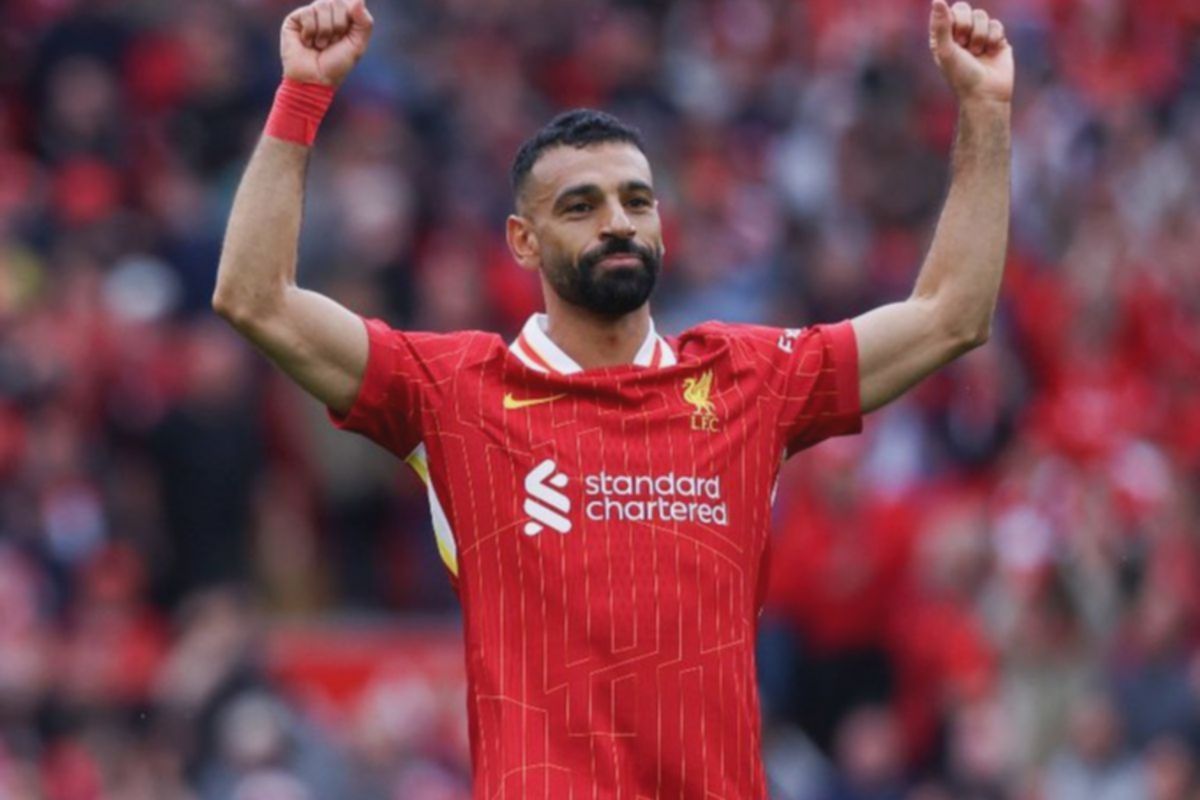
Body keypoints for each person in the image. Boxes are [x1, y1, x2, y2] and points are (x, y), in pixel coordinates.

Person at [212, 0, 1013, 795]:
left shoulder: (748, 379)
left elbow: (952, 315)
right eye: (580, 206)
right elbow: (256, 298)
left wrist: (985, 110)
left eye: (636, 200)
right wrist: (302, 95)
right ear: (523, 241)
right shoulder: (453, 392)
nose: (618, 222)